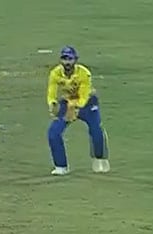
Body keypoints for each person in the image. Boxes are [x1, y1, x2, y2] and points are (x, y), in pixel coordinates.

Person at [46, 45, 110, 176]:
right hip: (67, 102)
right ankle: (61, 166)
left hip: (87, 103)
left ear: (75, 60)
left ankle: (99, 159)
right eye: (64, 59)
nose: (67, 62)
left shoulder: (84, 73)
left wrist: (75, 108)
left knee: (95, 129)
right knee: (53, 132)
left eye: (70, 59)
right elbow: (51, 92)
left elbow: (84, 95)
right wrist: (52, 104)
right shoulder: (55, 73)